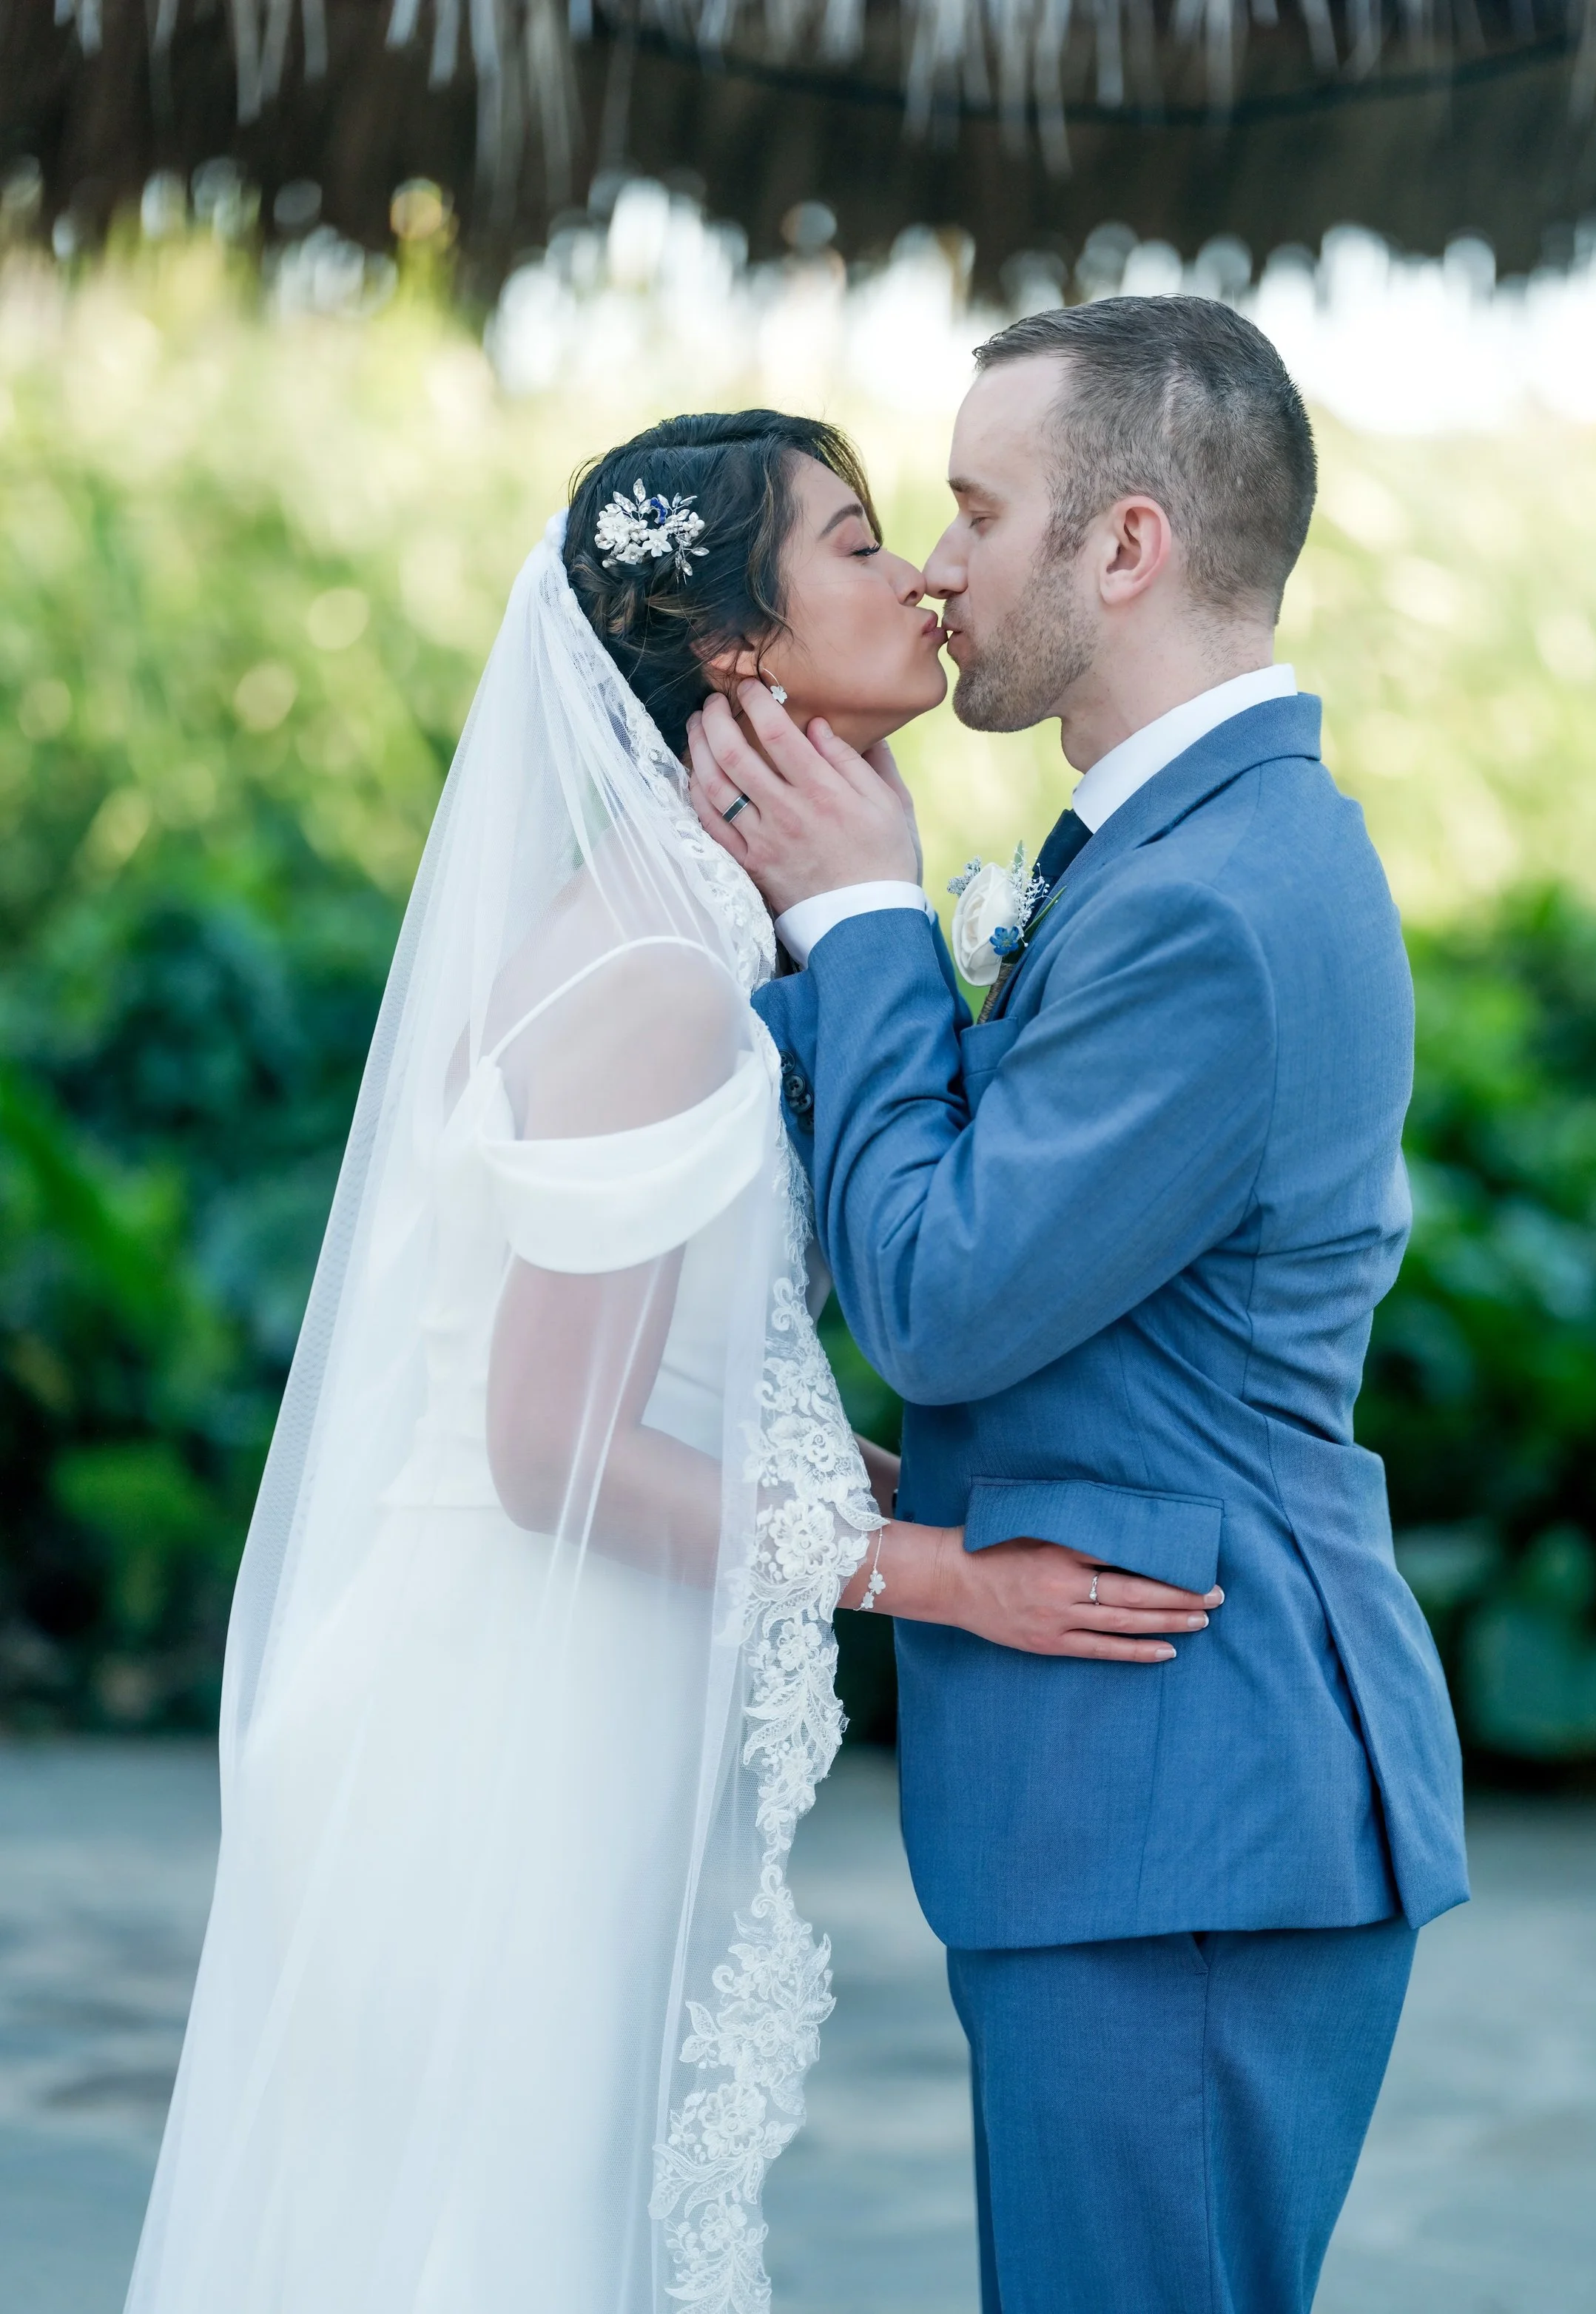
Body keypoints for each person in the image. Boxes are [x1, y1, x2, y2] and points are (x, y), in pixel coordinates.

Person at [123, 411, 1218, 2314]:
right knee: (491, 2231)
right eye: (860, 544)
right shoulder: (642, 976)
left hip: (575, 1660)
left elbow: (682, 1382)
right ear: (734, 654)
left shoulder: (703, 936)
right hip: (502, 1701)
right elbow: (550, 1439)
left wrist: (914, 1486)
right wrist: (944, 1581)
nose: (919, 582)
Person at [687, 299, 1471, 2314]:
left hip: (1185, 1796)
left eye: (972, 505)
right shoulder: (1170, 854)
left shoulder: (1214, 901)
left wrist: (865, 915)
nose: (935, 564)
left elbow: (942, 1293)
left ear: (1122, 546)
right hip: (1139, 1795)